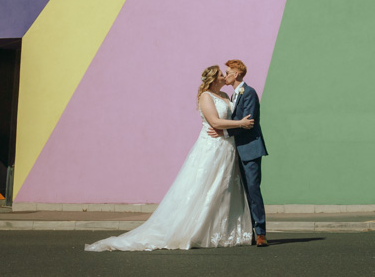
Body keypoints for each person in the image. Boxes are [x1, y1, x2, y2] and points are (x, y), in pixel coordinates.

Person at [84, 65, 256, 251]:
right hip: (211, 147)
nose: (224, 77)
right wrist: (240, 123)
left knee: (224, 189)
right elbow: (214, 122)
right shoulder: (206, 96)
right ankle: (193, 230)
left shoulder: (224, 96)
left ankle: (222, 231)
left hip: (227, 147)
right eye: (221, 75)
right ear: (214, 79)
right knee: (205, 186)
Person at [223, 59, 268, 246]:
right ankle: (244, 230)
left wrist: (224, 131)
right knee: (238, 191)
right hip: (234, 149)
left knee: (252, 188)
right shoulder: (231, 95)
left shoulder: (248, 93)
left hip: (249, 148)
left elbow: (247, 123)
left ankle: (260, 232)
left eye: (227, 72)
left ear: (237, 74)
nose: (225, 76)